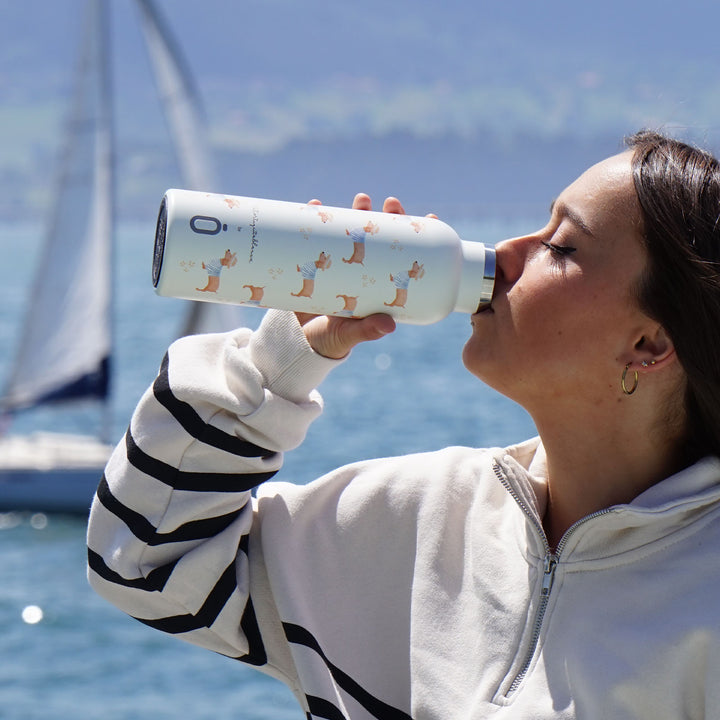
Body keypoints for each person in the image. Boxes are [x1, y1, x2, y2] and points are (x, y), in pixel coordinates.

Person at [87, 130, 720, 719]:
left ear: (648, 344)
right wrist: (278, 364)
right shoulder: (418, 516)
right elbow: (146, 561)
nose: (504, 254)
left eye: (561, 247)